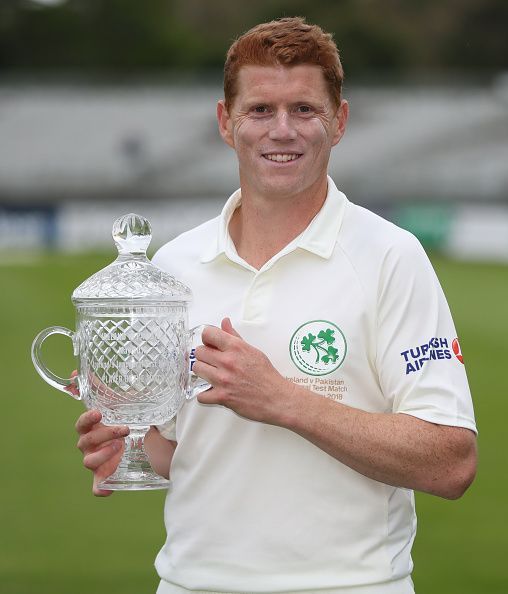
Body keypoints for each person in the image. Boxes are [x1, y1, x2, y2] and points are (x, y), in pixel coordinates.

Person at [75, 17, 477, 594]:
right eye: (260, 110)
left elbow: (450, 463)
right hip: (190, 583)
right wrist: (127, 442)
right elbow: (184, 451)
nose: (281, 130)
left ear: (338, 122)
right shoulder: (174, 265)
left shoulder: (390, 255)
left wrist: (282, 399)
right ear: (226, 122)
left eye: (304, 110)